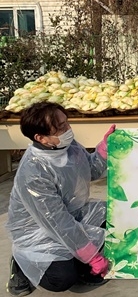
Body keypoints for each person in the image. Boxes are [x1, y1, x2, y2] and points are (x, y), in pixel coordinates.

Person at [6, 102, 112, 295]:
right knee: (62, 279)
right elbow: (58, 222)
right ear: (41, 138)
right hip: (39, 231)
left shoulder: (68, 146)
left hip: (71, 214)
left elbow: (91, 170)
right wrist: (93, 257)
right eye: (61, 127)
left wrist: (104, 148)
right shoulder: (33, 173)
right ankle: (21, 263)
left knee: (116, 216)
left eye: (67, 123)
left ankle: (78, 256)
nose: (68, 130)